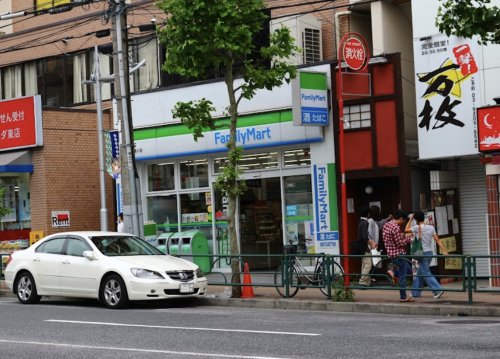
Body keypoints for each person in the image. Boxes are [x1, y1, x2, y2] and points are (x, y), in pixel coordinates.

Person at [405, 210, 449, 299]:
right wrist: (445, 251)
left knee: (425, 273)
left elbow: (406, 230)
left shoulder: (417, 227)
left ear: (416, 219)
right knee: (420, 273)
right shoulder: (431, 227)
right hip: (429, 252)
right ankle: (415, 293)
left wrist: (410, 219)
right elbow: (437, 240)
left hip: (422, 253)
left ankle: (438, 290)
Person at [382, 210, 414, 302]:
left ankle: (392, 272)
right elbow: (399, 243)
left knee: (409, 270)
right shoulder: (395, 227)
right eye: (403, 221)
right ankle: (403, 297)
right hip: (399, 254)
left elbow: (390, 238)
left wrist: (402, 235)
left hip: (391, 253)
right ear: (400, 218)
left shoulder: (387, 225)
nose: (403, 223)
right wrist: (409, 238)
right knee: (403, 277)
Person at [357, 206, 377, 287]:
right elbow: (364, 236)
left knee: (364, 265)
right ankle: (362, 282)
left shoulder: (360, 221)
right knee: (368, 265)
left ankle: (367, 283)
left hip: (360, 246)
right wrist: (370, 243)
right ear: (368, 214)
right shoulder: (365, 222)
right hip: (364, 247)